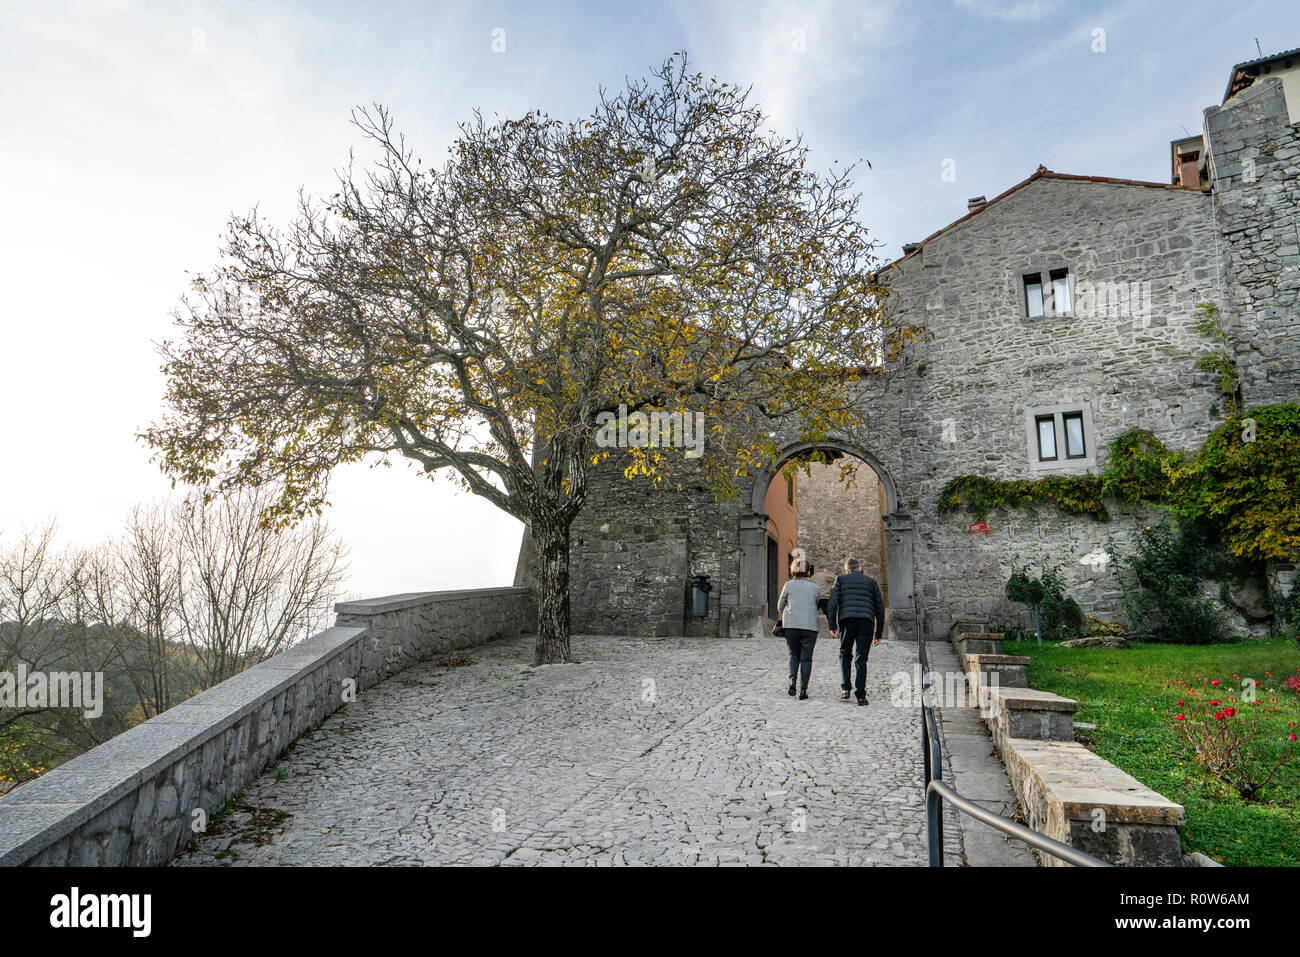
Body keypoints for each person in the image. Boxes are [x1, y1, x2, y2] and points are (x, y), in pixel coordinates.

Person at [826, 557, 885, 706]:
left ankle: (845, 689)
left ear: (847, 570)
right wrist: (878, 633)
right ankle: (860, 695)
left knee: (845, 654)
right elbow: (880, 608)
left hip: (847, 621)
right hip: (866, 622)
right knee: (861, 659)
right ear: (860, 568)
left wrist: (832, 626)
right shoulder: (871, 582)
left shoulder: (840, 580)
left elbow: (832, 603)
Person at [776, 554, 820, 700]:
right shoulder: (815, 588)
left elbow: (779, 606)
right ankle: (803, 690)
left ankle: (792, 680)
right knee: (806, 659)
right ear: (808, 571)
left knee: (794, 654)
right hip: (810, 626)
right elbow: (817, 605)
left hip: (791, 625)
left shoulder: (788, 585)